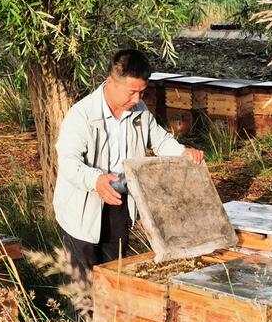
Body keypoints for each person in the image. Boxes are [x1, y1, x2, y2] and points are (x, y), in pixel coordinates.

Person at [53, 48, 204, 280]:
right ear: (110, 82)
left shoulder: (139, 110)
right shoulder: (81, 115)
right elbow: (68, 162)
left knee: (115, 278)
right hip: (82, 208)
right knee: (82, 286)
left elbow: (160, 140)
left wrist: (183, 153)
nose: (137, 100)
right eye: (132, 92)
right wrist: (95, 180)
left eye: (142, 92)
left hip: (119, 203)